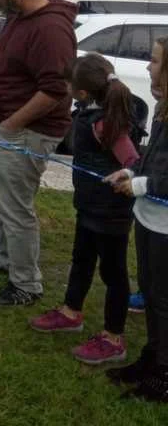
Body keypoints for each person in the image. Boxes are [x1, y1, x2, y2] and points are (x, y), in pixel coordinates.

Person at [29, 54, 142, 365]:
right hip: (89, 206)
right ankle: (70, 312)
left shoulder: (107, 122)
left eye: (69, 84)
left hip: (111, 214)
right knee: (81, 259)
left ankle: (113, 337)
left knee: (113, 273)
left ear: (81, 91)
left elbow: (132, 161)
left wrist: (127, 177)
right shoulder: (90, 113)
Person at [0, 0, 77, 306]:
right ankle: (3, 258)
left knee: (17, 207)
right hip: (6, 124)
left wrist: (12, 124)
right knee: (6, 198)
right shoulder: (22, 17)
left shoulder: (50, 29)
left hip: (26, 132)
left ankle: (26, 283)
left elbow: (55, 90)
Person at [104, 35, 168, 403]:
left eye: (155, 61)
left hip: (165, 227)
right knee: (149, 291)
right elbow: (152, 159)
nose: (147, 66)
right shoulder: (163, 108)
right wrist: (131, 173)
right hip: (149, 219)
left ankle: (164, 375)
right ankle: (153, 357)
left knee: (163, 300)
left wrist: (140, 185)